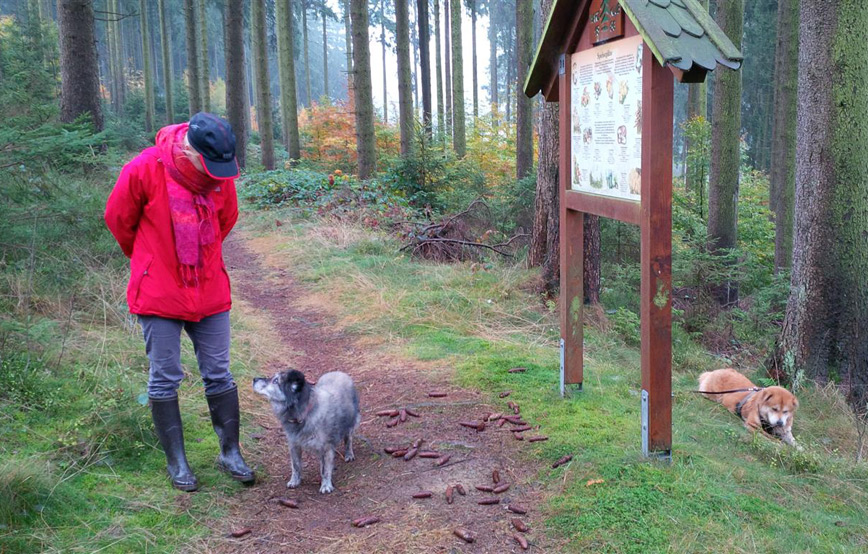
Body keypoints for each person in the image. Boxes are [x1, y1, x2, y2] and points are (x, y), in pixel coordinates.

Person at [105, 112, 254, 491]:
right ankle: (178, 463)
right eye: (210, 164)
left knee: (219, 372)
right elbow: (119, 220)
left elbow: (226, 221)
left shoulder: (220, 176)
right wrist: (150, 260)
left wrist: (200, 257)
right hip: (159, 292)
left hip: (209, 289)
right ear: (188, 148)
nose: (217, 173)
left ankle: (229, 452)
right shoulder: (144, 168)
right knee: (165, 377)